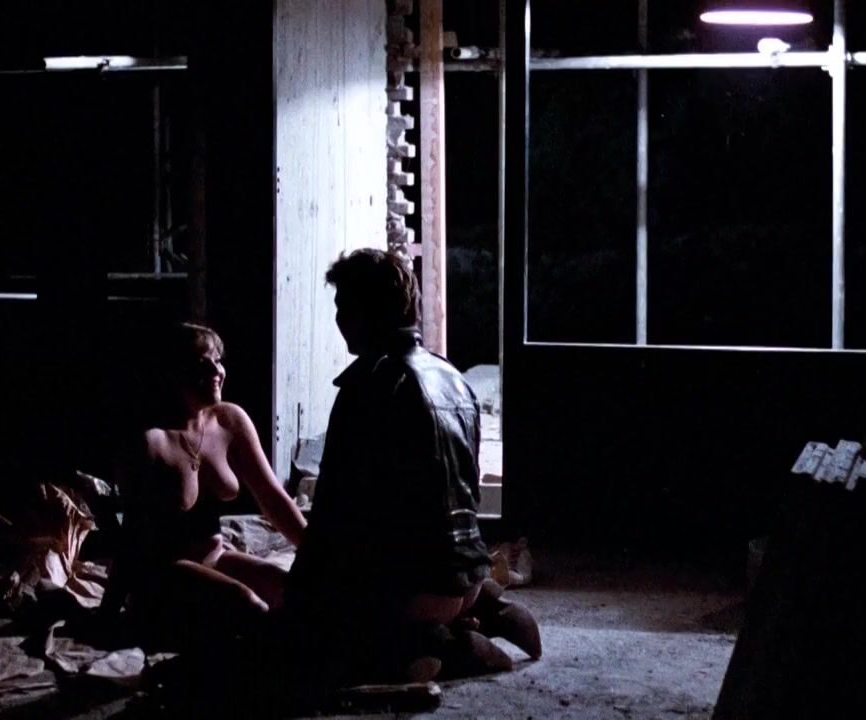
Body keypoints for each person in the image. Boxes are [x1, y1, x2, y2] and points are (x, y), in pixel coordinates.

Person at [282, 248, 541, 683]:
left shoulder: (369, 383)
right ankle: (488, 607)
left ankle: (441, 645)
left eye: (344, 307)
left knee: (309, 633)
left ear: (368, 312)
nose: (338, 320)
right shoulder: (453, 377)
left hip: (416, 591)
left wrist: (300, 592)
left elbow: (332, 512)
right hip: (469, 573)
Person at [100, 322, 307, 649]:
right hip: (164, 574)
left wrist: (318, 553)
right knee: (249, 605)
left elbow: (273, 498)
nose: (216, 371)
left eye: (217, 360)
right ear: (171, 373)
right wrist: (107, 613)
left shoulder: (229, 421)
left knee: (296, 591)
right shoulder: (149, 441)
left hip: (217, 556)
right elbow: (132, 537)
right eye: (201, 363)